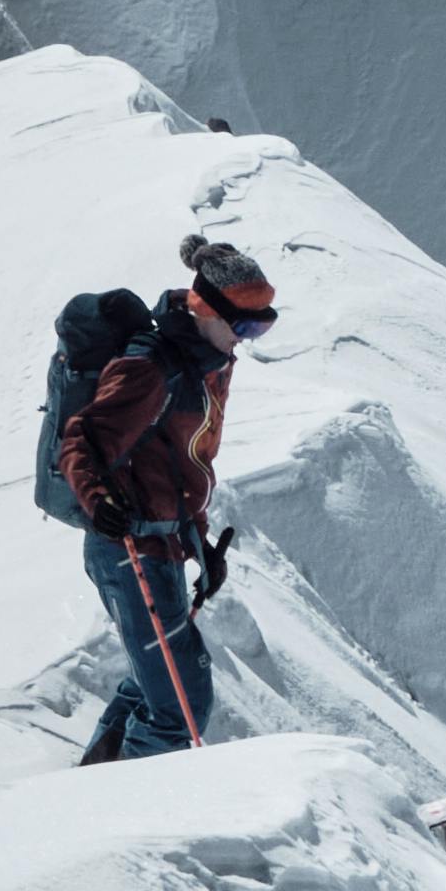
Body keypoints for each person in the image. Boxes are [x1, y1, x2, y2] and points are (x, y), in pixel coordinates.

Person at [62, 236, 278, 763]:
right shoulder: (151, 368)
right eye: (245, 327)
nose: (247, 340)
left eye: (261, 328)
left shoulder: (207, 364)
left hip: (162, 547)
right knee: (180, 707)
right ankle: (131, 806)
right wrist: (98, 502)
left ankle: (90, 787)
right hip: (127, 549)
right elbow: (81, 440)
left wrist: (198, 544)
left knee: (155, 687)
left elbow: (179, 465)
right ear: (207, 309)